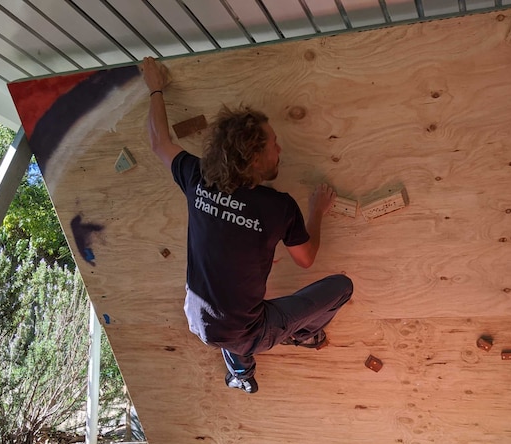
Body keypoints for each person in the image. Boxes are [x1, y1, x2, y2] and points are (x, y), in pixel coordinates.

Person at [141, 57, 353, 394]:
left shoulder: (198, 179)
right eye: (273, 144)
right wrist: (317, 210)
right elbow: (306, 257)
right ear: (254, 158)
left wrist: (155, 87)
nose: (280, 149)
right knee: (341, 287)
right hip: (246, 329)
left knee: (238, 319)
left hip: (198, 320)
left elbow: (158, 142)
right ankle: (301, 335)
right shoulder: (277, 207)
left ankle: (240, 370)